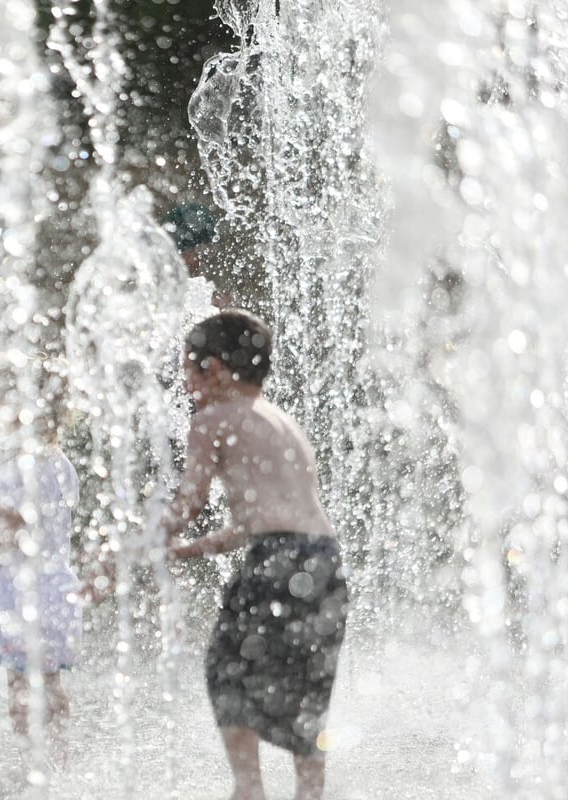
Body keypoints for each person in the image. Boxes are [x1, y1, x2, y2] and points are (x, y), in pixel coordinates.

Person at [163, 309, 349, 800]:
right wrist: (190, 552)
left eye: (188, 369)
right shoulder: (281, 422)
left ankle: (249, 790)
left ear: (216, 370)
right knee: (307, 684)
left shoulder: (212, 420)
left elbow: (190, 502)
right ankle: (310, 794)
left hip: (278, 558)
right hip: (324, 560)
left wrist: (145, 537)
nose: (185, 383)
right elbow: (253, 521)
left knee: (225, 666)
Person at [0, 403, 83, 765]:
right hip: (57, 588)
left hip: (21, 593)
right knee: (50, 680)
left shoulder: (10, 473)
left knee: (19, 687)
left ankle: (30, 768)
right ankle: (61, 757)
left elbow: (10, 533)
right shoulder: (63, 466)